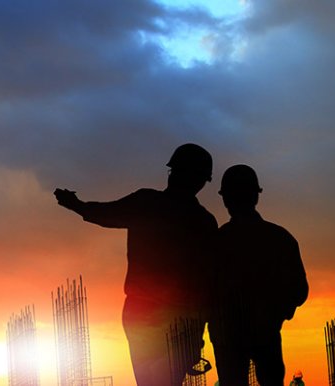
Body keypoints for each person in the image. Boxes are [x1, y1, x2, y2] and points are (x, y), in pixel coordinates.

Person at [54, 143, 218, 386]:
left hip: (144, 312)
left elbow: (106, 214)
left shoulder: (148, 203)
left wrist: (76, 205)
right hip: (177, 317)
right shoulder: (203, 221)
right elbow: (209, 283)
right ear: (202, 181)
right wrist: (197, 334)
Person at [208, 165, 308, 386]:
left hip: (228, 337)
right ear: (256, 196)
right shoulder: (279, 239)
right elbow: (299, 290)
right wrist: (276, 313)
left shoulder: (217, 242)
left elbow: (203, 291)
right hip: (265, 333)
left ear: (226, 199)